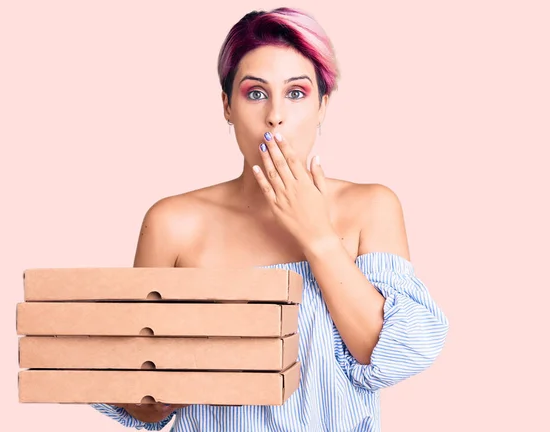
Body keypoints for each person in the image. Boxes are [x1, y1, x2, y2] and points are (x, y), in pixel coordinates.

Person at [90, 7, 449, 431]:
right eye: (255, 93)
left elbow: (392, 355)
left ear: (322, 106)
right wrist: (177, 376)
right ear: (227, 105)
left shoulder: (370, 207)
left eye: (296, 93)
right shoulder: (173, 222)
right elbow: (143, 401)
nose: (275, 115)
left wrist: (316, 236)